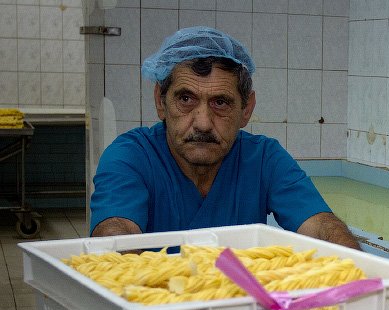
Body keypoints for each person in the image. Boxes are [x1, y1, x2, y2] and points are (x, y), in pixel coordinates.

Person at [89, 26, 360, 250]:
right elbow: (115, 235)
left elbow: (322, 226)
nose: (203, 123)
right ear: (161, 101)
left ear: (246, 109)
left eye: (221, 103)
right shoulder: (131, 156)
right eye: (186, 99)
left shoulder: (264, 159)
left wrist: (357, 270)